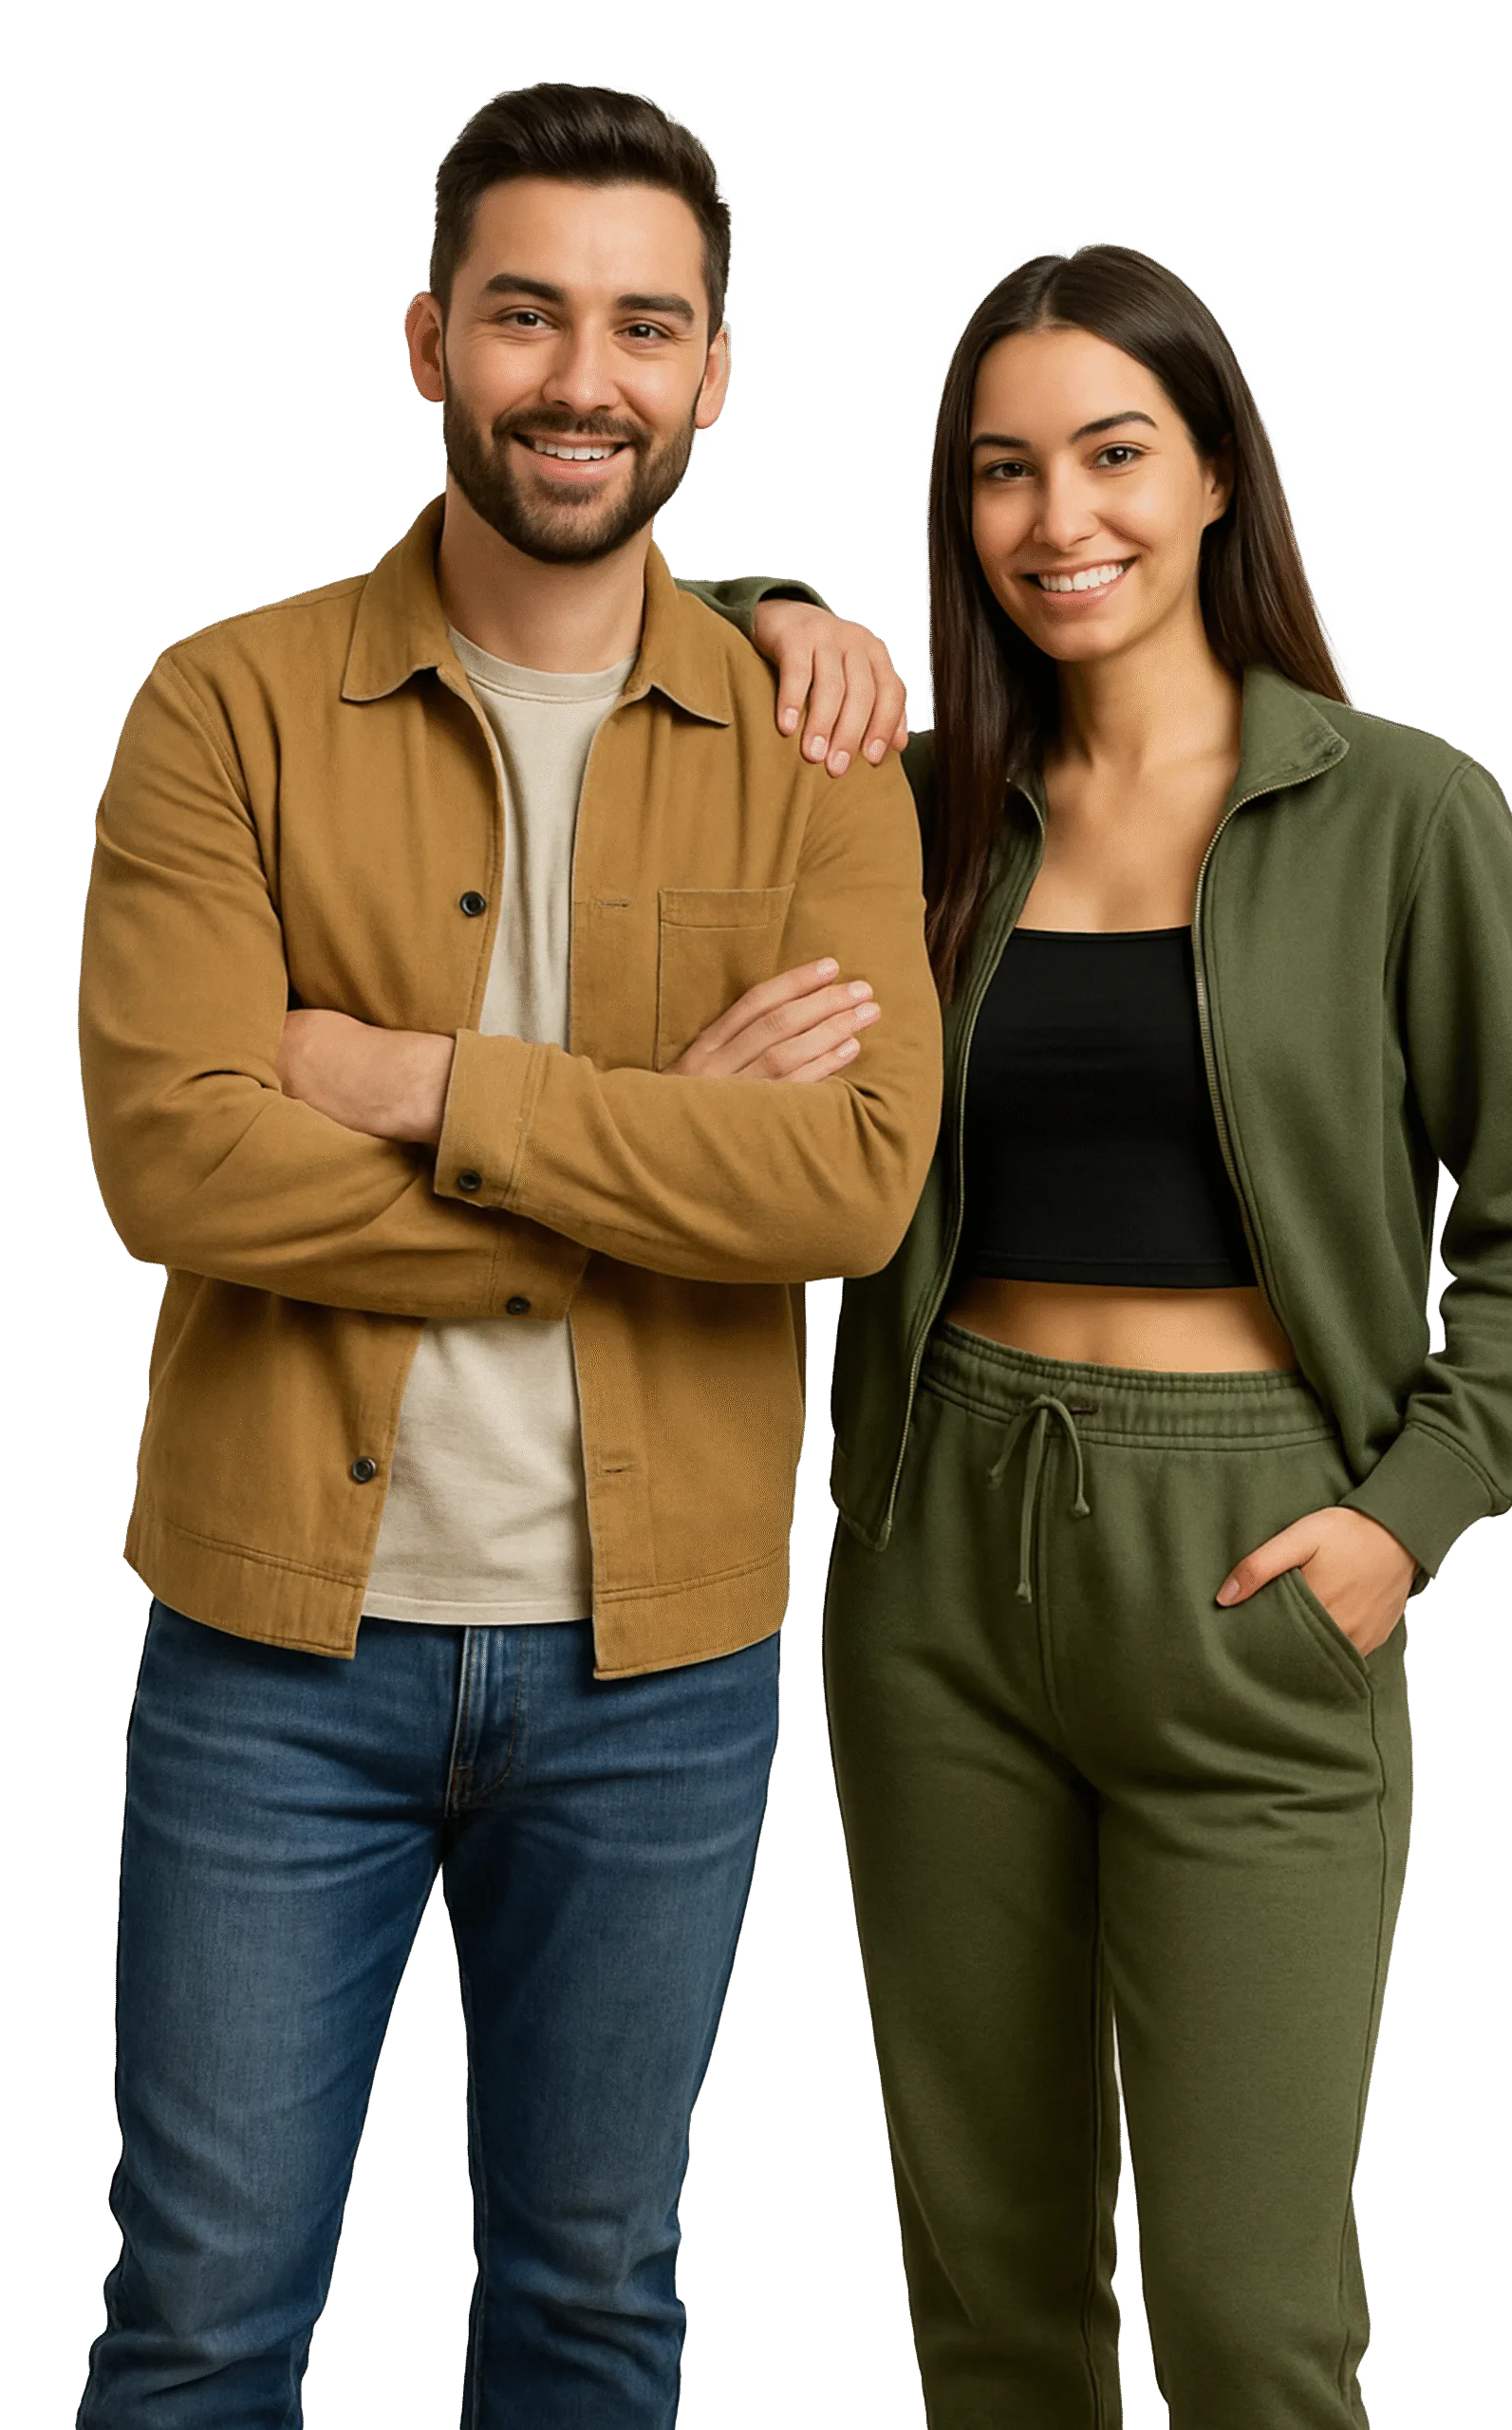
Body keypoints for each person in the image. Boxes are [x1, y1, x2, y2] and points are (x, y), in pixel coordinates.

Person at [74, 80, 940, 2430]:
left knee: (589, 2305)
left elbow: (848, 1186)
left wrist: (434, 1083)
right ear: (429, 336)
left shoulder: (818, 742)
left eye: (646, 324)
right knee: (201, 2314)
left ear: (716, 374)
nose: (585, 374)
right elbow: (178, 1164)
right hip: (277, 1654)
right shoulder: (224, 703)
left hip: (657, 1670)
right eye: (529, 312)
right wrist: (662, 1169)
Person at [693, 242, 1512, 2429]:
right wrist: (775, 605)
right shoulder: (915, 812)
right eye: (999, 471)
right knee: (991, 2299)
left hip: (1255, 1563)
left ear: (1214, 474)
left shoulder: (1404, 809)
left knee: (1248, 2317)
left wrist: (1406, 1516)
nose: (1054, 516)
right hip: (938, 1558)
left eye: (1111, 450)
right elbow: (664, 658)